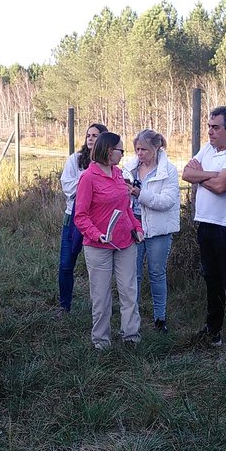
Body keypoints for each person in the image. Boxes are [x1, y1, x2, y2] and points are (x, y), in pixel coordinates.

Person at [182, 106, 226, 347]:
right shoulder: (207, 148)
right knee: (211, 278)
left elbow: (222, 186)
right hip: (206, 223)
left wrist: (202, 176)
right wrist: (213, 174)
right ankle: (213, 330)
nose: (210, 132)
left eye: (215, 127)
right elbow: (187, 174)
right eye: (208, 127)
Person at [73, 132, 144, 350]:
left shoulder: (119, 174)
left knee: (129, 290)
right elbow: (80, 216)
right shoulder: (88, 177)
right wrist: (97, 234)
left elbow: (126, 209)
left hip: (125, 243)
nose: (123, 154)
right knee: (101, 296)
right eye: (120, 150)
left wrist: (138, 228)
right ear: (108, 150)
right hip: (98, 246)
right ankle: (101, 341)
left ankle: (131, 336)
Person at [123, 129, 180, 332]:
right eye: (137, 149)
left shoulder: (168, 171)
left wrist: (140, 194)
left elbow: (167, 201)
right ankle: (132, 319)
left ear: (156, 148)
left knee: (156, 273)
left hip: (158, 228)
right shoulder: (129, 168)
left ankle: (160, 319)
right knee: (133, 274)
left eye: (144, 149)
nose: (140, 153)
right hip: (133, 225)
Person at [58, 123, 107, 314]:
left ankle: (100, 307)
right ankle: (64, 306)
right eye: (88, 135)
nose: (90, 138)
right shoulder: (75, 160)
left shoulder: (109, 163)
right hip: (73, 218)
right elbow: (67, 187)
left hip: (98, 220)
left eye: (95, 135)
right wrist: (89, 186)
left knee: (96, 267)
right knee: (65, 263)